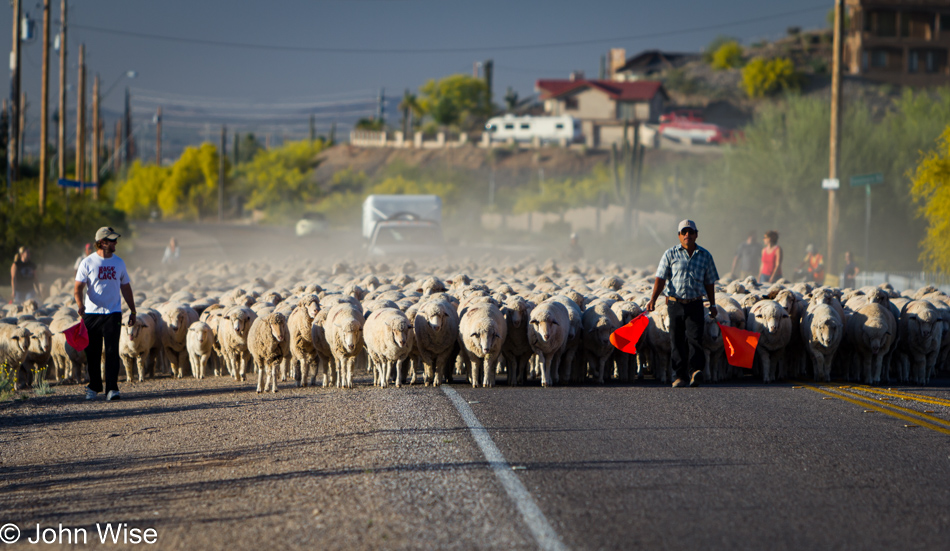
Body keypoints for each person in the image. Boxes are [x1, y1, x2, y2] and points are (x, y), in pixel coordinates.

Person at [647, 219, 719, 388]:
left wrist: (713, 304)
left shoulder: (705, 255)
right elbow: (661, 279)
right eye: (684, 232)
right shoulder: (670, 254)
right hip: (675, 303)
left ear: (696, 234)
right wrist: (653, 299)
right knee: (676, 340)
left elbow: (709, 282)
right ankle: (679, 376)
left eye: (691, 232)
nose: (688, 235)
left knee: (695, 338)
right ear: (679, 235)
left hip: (695, 303)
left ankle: (695, 372)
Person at [74, 227, 136, 401]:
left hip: (113, 313)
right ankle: (94, 386)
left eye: (115, 239)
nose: (116, 242)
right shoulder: (87, 262)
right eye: (112, 240)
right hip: (92, 315)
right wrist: (80, 305)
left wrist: (133, 310)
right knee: (92, 353)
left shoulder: (119, 263)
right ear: (102, 242)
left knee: (111, 351)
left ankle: (112, 389)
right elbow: (78, 287)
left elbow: (126, 287)